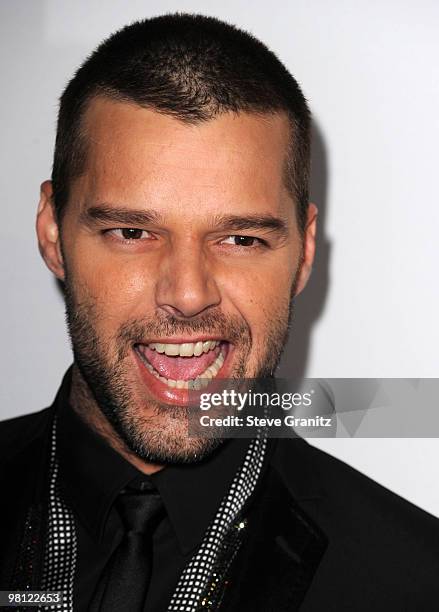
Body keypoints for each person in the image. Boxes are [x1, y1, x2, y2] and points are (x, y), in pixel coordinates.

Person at [0, 13, 438, 612]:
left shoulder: (413, 580)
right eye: (132, 231)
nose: (187, 293)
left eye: (241, 240)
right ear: (52, 231)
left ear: (305, 252)